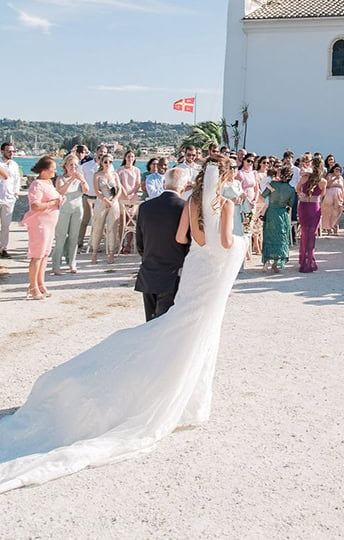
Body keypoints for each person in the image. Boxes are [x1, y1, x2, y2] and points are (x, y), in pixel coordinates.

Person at [0, 156, 246, 493]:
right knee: (202, 333)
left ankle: (183, 392)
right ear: (226, 178)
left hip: (197, 269)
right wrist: (240, 243)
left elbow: (183, 237)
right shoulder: (228, 204)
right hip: (212, 273)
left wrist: (204, 243)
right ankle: (189, 399)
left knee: (181, 328)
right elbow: (229, 244)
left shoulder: (191, 203)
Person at [135, 167, 189, 321]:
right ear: (183, 188)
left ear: (164, 183)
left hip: (149, 270)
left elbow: (140, 243)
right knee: (165, 324)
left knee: (149, 322)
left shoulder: (145, 207)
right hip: (172, 274)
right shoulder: (184, 209)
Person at [21, 156, 62, 299]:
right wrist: (53, 203)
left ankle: (41, 283)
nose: (54, 171)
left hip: (50, 224)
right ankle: (32, 287)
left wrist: (59, 200)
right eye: (52, 169)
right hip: (39, 224)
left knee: (44, 254)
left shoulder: (49, 182)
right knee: (37, 255)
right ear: (44, 170)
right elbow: (35, 205)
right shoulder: (37, 185)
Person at [51, 154, 89, 275]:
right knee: (61, 237)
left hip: (77, 209)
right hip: (64, 210)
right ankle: (56, 264)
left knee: (74, 237)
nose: (73, 167)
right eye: (71, 164)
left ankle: (72, 262)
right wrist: (72, 179)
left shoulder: (80, 178)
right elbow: (61, 191)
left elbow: (86, 190)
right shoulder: (60, 178)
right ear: (65, 166)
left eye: (75, 165)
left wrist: (81, 180)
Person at [261, 164, 295, 272]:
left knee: (268, 236)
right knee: (281, 238)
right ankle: (275, 263)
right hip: (282, 213)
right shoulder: (291, 189)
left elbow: (263, 196)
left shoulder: (273, 184)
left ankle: (266, 262)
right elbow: (290, 204)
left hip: (271, 212)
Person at [89, 154, 122, 265]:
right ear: (102, 163)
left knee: (112, 228)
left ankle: (111, 253)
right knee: (98, 227)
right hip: (101, 202)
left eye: (110, 162)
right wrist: (105, 200)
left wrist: (113, 200)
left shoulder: (115, 175)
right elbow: (97, 190)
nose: (108, 164)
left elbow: (119, 190)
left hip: (114, 202)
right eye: (106, 162)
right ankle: (94, 253)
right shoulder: (97, 175)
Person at [296, 155, 327, 273]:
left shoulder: (304, 178)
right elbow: (322, 196)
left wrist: (302, 194)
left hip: (304, 206)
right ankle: (309, 260)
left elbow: (297, 189)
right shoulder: (323, 181)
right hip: (315, 208)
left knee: (304, 233)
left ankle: (304, 260)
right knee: (312, 234)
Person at [78, 144, 107, 248]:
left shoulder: (107, 167)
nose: (102, 154)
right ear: (96, 152)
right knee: (85, 221)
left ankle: (96, 244)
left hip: (101, 198)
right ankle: (79, 243)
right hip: (87, 196)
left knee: (99, 222)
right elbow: (80, 179)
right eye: (101, 151)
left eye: (104, 152)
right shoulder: (86, 166)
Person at [117, 150, 142, 254]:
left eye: (132, 156)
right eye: (128, 156)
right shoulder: (120, 170)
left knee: (131, 222)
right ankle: (121, 244)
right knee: (122, 222)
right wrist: (125, 195)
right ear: (125, 157)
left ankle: (129, 244)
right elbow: (119, 184)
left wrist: (131, 194)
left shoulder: (136, 170)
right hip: (122, 197)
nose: (130, 158)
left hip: (133, 198)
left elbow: (138, 184)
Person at [0, 142, 21, 259]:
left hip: (9, 199)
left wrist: (16, 192)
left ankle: (4, 248)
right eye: (9, 151)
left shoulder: (14, 165)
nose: (11, 153)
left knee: (6, 225)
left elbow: (16, 179)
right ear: (2, 152)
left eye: (13, 151)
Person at [321, 163, 344, 235]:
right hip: (330, 195)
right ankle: (328, 228)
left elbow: (343, 188)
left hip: (339, 195)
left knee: (337, 211)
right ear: (333, 169)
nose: (338, 171)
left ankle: (334, 226)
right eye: (336, 169)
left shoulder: (341, 178)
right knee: (329, 212)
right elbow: (327, 185)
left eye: (339, 170)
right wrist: (335, 178)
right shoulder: (329, 175)